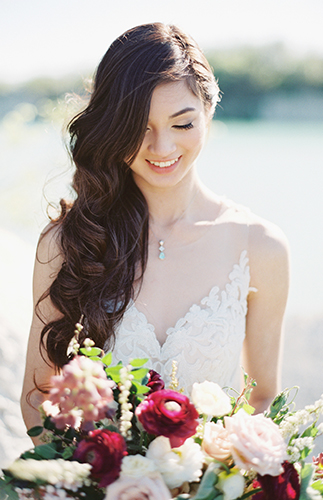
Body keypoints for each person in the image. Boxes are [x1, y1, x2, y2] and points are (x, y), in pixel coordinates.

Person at [21, 23, 289, 441]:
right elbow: (39, 398)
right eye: (138, 127)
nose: (162, 148)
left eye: (182, 125)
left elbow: (261, 398)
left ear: (209, 113)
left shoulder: (261, 247)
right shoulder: (67, 243)